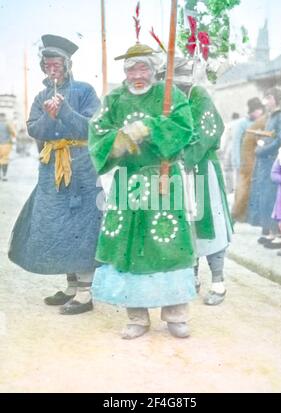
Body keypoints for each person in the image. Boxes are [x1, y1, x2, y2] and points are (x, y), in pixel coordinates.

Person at [89, 43, 197, 339]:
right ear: (124, 73)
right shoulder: (114, 100)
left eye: (143, 68)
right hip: (129, 179)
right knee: (128, 244)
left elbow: (185, 128)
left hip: (164, 178)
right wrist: (119, 139)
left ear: (154, 70)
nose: (137, 74)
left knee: (168, 243)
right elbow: (97, 132)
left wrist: (150, 127)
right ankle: (136, 316)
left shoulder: (170, 94)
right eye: (130, 69)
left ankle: (175, 313)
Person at [8, 34, 102, 315]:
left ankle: (85, 294)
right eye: (47, 64)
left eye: (57, 63)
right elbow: (34, 130)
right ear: (42, 67)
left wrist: (65, 111)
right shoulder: (40, 97)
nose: (53, 69)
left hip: (82, 168)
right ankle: (72, 287)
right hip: (52, 171)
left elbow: (91, 128)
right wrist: (49, 117)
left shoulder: (85, 91)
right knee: (58, 227)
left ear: (67, 64)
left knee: (82, 226)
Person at [162, 57, 233, 305]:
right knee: (186, 223)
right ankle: (191, 277)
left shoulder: (198, 95)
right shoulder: (167, 103)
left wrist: (185, 157)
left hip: (202, 167)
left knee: (209, 222)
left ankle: (218, 282)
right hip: (179, 171)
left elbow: (208, 131)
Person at [247, 88, 281, 248]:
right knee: (268, 199)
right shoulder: (272, 116)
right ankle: (273, 233)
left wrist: (262, 150)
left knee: (277, 199)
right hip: (266, 164)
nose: (265, 102)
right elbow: (272, 137)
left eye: (268, 98)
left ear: (276, 99)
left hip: (277, 162)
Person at [230, 98, 265, 192]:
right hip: (244, 161)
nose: (259, 113)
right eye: (257, 111)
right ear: (251, 111)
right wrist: (237, 162)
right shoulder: (242, 124)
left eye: (260, 110)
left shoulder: (261, 122)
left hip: (257, 161)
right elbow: (236, 143)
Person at [0, 113, 16, 181]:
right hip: (6, 144)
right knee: (4, 159)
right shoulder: (7, 124)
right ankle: (4, 175)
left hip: (4, 144)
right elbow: (13, 133)